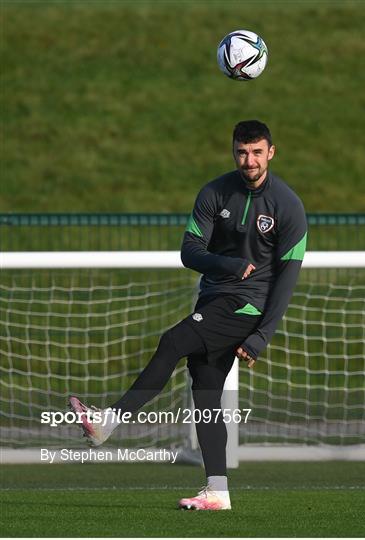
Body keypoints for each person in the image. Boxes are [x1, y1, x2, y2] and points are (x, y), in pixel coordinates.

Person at [69, 120, 307, 511]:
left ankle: (107, 422)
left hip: (246, 307)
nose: (249, 160)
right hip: (213, 300)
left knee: (173, 341)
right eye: (242, 152)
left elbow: (286, 279)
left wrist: (262, 335)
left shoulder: (288, 206)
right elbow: (189, 252)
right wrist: (226, 264)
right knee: (206, 393)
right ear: (234, 152)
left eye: (257, 152)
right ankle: (218, 491)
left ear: (271, 152)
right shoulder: (215, 192)